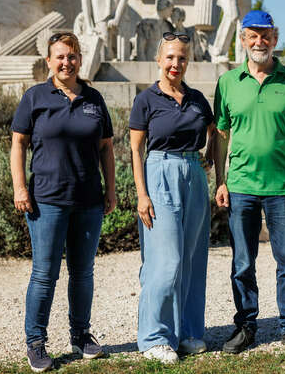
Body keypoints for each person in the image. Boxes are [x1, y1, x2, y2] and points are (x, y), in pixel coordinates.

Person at [10, 32, 116, 372]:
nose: (66, 62)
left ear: (80, 59)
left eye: (71, 56)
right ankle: (36, 342)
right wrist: (20, 188)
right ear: (49, 61)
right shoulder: (35, 97)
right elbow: (18, 145)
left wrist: (111, 190)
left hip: (88, 199)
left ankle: (81, 335)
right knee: (45, 274)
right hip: (46, 201)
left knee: (83, 273)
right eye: (59, 57)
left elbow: (106, 148)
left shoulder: (94, 99)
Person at [213, 10, 285, 354]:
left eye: (266, 35)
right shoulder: (228, 82)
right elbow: (221, 136)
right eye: (252, 35)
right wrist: (221, 180)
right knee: (242, 261)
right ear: (242, 39)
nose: (260, 41)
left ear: (275, 38)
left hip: (284, 187)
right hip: (241, 186)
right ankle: (246, 326)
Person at [129, 32, 216, 364]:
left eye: (181, 57)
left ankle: (188, 333)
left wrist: (208, 160)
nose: (175, 63)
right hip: (159, 173)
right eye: (170, 57)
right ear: (158, 59)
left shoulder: (196, 98)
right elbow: (136, 149)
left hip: (193, 173)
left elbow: (214, 132)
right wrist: (141, 194)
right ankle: (154, 337)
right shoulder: (146, 100)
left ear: (187, 61)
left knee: (192, 259)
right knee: (166, 262)